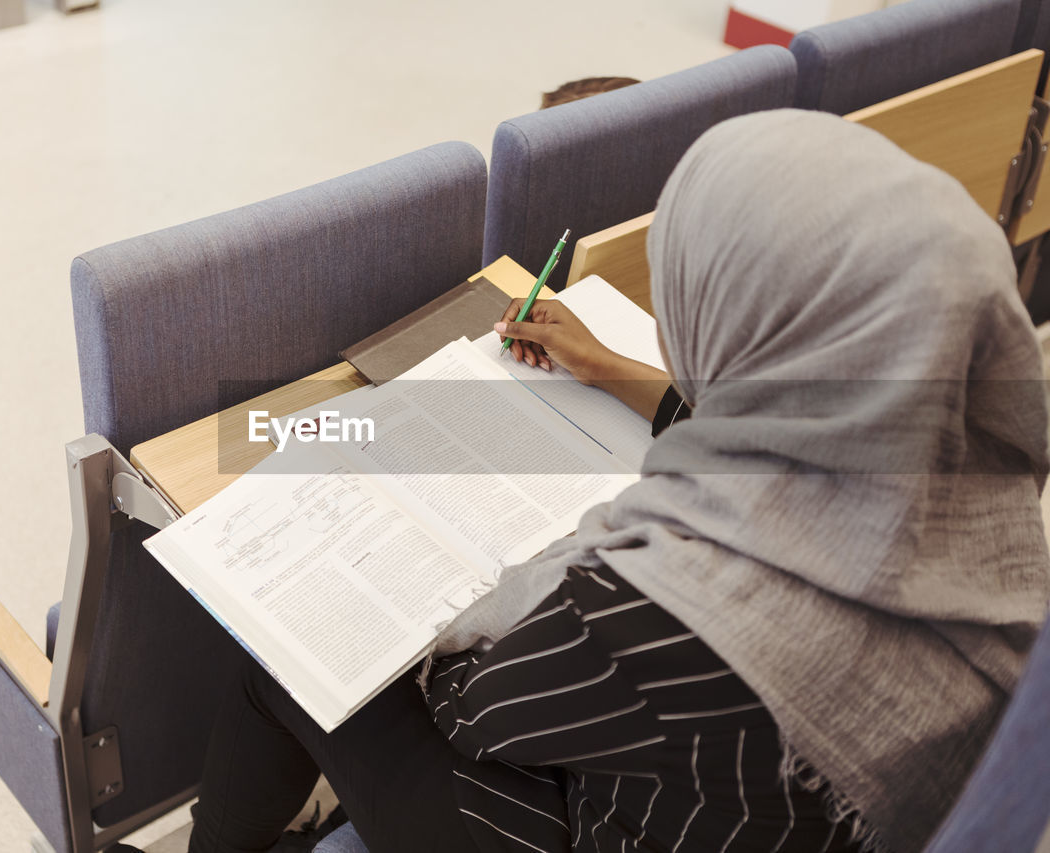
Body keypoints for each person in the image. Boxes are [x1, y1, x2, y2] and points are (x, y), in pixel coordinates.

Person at [185, 109, 1050, 853]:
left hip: (607, 825)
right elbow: (792, 445)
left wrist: (483, 580)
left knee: (287, 652)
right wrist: (612, 371)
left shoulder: (663, 615)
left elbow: (477, 710)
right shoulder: (983, 515)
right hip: (792, 820)